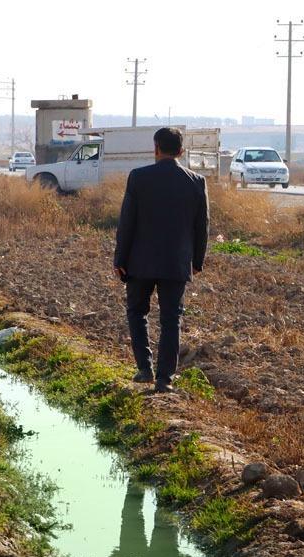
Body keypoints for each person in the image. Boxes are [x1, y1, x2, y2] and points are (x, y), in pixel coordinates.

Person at [113, 127, 209, 392]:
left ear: (156, 148)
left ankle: (145, 368)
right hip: (176, 263)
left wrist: (120, 258)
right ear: (181, 151)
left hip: (139, 261)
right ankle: (165, 379)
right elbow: (202, 227)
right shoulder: (196, 182)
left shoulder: (138, 178)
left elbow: (127, 222)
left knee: (137, 312)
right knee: (171, 320)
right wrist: (197, 261)